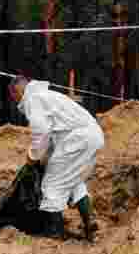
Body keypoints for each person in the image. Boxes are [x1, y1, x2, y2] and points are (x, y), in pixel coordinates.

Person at [8, 74, 103, 241]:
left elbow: (41, 133)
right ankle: (90, 223)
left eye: (13, 97)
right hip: (91, 135)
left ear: (17, 92)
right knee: (71, 180)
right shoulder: (47, 96)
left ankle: (54, 233)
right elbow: (53, 134)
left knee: (52, 183)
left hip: (78, 139)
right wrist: (44, 157)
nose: (14, 101)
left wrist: (32, 157)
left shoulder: (33, 100)